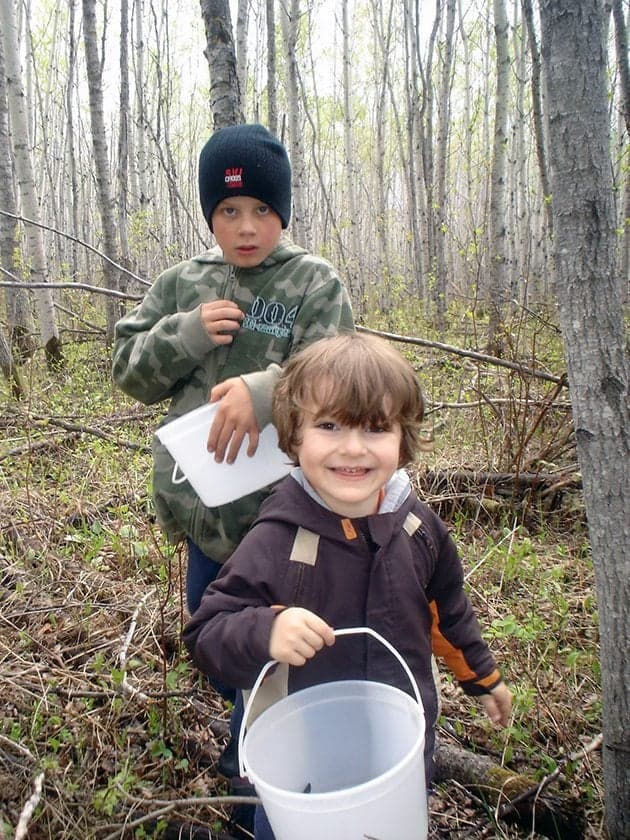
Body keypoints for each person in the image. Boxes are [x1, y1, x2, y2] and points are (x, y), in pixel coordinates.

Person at [184, 332, 513, 839]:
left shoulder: (418, 528)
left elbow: (447, 612)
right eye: (330, 425)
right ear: (294, 435)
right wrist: (267, 630)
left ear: (403, 439)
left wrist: (482, 678)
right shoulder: (277, 538)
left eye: (376, 428)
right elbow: (207, 633)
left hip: (397, 753)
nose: (352, 448)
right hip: (302, 769)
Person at [112, 124, 354, 789]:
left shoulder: (311, 283)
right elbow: (129, 371)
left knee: (277, 654)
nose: (245, 227)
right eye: (228, 210)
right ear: (210, 214)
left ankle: (265, 768)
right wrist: (184, 334)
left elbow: (339, 383)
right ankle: (247, 726)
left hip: (284, 524)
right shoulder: (182, 284)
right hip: (208, 523)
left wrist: (267, 391)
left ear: (283, 212)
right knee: (217, 642)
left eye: (262, 211)